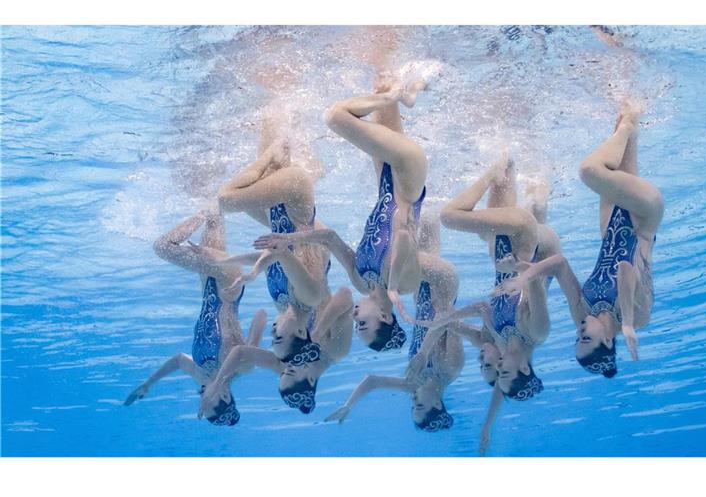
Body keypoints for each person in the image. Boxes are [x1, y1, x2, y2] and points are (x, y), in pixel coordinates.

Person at [254, 59, 439, 352]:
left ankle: (402, 80)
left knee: (383, 79)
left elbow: (330, 239)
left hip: (386, 179)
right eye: (363, 324)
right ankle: (403, 93)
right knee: (335, 116)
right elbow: (403, 237)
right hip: (407, 176)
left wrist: (291, 238)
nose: (354, 318)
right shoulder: (406, 284)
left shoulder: (361, 282)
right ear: (383, 316)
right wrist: (390, 285)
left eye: (356, 326)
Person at [499, 103, 663, 375]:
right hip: (644, 217)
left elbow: (560, 264)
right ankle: (630, 120)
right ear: (609, 340)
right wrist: (628, 323)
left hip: (609, 227)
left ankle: (630, 96)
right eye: (586, 338)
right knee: (590, 170)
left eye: (577, 338)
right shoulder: (638, 317)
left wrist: (524, 276)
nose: (580, 331)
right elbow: (624, 268)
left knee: (625, 119)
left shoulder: (582, 314)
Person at [435, 153, 561, 454]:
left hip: (505, 251)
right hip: (532, 246)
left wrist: (487, 427)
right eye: (504, 371)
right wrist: (520, 274)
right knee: (450, 217)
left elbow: (496, 382)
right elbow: (534, 279)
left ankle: (529, 165)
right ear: (526, 369)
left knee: (504, 165)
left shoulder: (502, 343)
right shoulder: (536, 332)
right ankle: (532, 194)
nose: (498, 366)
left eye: (497, 370)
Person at [323, 214, 464, 431]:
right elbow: (448, 315)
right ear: (437, 403)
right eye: (419, 406)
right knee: (401, 245)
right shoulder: (450, 368)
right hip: (441, 284)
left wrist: (348, 405)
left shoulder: (412, 383)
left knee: (424, 222)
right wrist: (424, 352)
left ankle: (423, 195)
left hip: (421, 293)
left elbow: (372, 381)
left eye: (412, 407)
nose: (413, 401)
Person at [217, 104, 332, 365]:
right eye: (278, 338)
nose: (272, 333)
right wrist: (254, 270)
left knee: (274, 113)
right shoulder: (310, 297)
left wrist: (228, 262)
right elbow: (284, 256)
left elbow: (276, 257)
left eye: (271, 340)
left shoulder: (285, 304)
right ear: (301, 332)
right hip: (295, 196)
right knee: (226, 201)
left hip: (279, 212)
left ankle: (288, 103)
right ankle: (275, 153)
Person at [124, 208, 251, 426]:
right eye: (206, 403)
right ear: (224, 397)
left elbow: (179, 360)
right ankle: (202, 209)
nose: (200, 399)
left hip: (209, 283)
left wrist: (148, 383)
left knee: (215, 215)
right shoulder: (236, 366)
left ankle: (204, 192)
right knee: (163, 247)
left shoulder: (202, 375)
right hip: (228, 278)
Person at [197, 281, 354, 416]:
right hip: (310, 269)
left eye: (283, 373)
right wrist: (316, 333)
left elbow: (241, 352)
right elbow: (345, 295)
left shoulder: (284, 365)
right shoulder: (336, 350)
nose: (288, 366)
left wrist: (217, 384)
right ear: (311, 379)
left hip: (283, 284)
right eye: (290, 371)